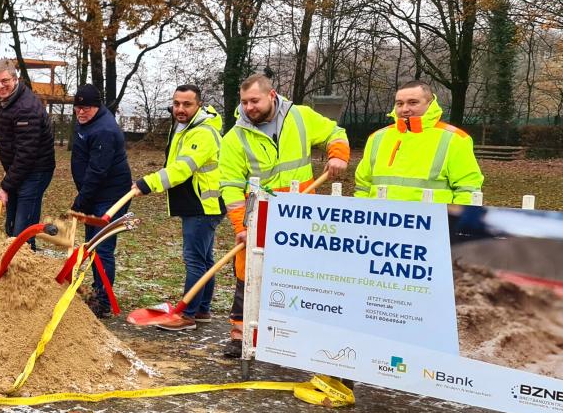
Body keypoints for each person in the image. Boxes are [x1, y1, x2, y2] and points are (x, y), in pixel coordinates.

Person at [218, 74, 349, 358]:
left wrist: (338, 154)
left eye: (255, 100)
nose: (249, 107)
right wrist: (241, 225)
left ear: (272, 95)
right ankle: (240, 335)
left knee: (300, 272)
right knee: (247, 271)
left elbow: (335, 133)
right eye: (244, 102)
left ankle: (295, 333)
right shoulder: (234, 138)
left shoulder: (301, 117)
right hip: (259, 215)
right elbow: (229, 186)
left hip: (302, 214)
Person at [131, 84, 224, 331]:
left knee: (195, 260)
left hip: (203, 204)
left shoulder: (202, 132)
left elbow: (181, 169)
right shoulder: (185, 127)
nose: (180, 109)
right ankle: (202, 310)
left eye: (187, 104)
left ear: (199, 105)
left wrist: (147, 183)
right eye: (176, 104)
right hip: (200, 203)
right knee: (204, 260)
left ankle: (188, 315)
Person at [355, 80, 483, 204]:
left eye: (413, 102)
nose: (405, 109)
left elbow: (467, 188)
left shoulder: (455, 139)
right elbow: (363, 185)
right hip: (381, 221)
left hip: (431, 222)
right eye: (399, 103)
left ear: (430, 104)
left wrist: (453, 223)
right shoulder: (377, 138)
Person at [70, 84, 132, 318]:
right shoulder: (87, 122)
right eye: (77, 107)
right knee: (92, 245)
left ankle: (103, 301)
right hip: (94, 194)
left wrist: (81, 201)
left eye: (85, 107)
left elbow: (97, 171)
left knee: (101, 247)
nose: (80, 112)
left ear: (96, 106)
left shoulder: (105, 130)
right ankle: (96, 291)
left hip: (109, 197)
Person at [0, 59, 55, 247]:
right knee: (12, 227)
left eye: (5, 81)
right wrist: (9, 177)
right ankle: (14, 265)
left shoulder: (26, 108)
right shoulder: (6, 101)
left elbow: (26, 154)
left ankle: (26, 271)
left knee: (22, 231)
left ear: (15, 78)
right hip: (20, 171)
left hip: (35, 171)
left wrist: (6, 186)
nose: (0, 86)